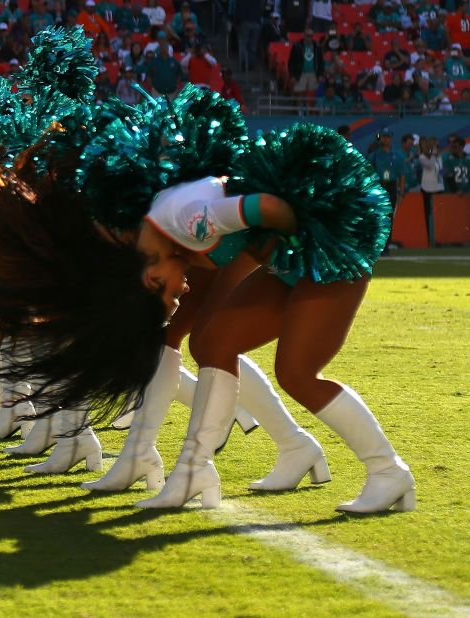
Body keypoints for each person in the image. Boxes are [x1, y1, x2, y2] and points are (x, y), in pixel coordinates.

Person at [133, 127, 414, 514]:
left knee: (297, 372)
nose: (179, 296)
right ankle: (194, 469)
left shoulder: (189, 221)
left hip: (328, 252)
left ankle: (388, 471)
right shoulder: (160, 237)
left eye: (167, 295)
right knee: (214, 342)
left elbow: (267, 207)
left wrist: (300, 240)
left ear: (152, 275)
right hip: (291, 258)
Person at [369, 129, 406, 211]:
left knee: (391, 213)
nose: (385, 139)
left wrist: (401, 193)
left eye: (388, 137)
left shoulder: (398, 155)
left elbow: (402, 175)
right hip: (379, 186)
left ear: (391, 138)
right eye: (383, 136)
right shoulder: (374, 155)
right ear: (380, 138)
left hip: (392, 186)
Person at [418, 136, 444, 247]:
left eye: (437, 146)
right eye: (434, 146)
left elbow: (440, 170)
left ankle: (439, 239)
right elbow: (429, 165)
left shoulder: (439, 157)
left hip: (439, 188)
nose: (437, 148)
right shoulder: (422, 157)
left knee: (439, 215)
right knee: (428, 214)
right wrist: (433, 155)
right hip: (428, 189)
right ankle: (429, 239)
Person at [289, 28, 324, 95]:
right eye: (308, 35)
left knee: (312, 93)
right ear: (304, 35)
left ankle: (310, 105)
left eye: (311, 36)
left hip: (313, 73)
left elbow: (321, 62)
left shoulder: (317, 46)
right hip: (300, 73)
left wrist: (320, 74)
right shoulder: (297, 46)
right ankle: (299, 105)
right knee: (299, 92)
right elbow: (291, 62)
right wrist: (292, 76)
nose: (309, 38)